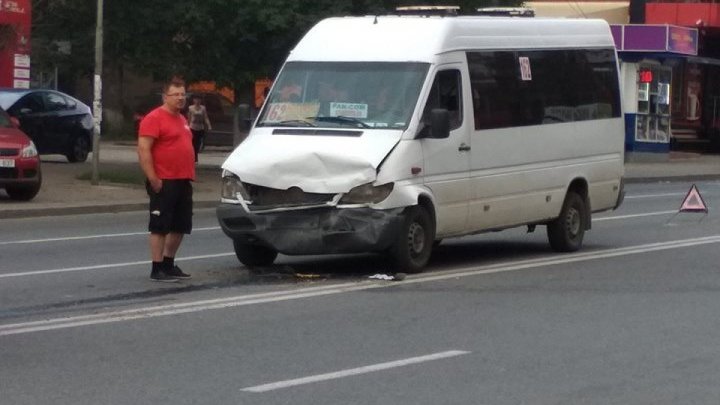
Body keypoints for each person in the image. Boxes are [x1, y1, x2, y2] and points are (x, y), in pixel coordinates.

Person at [137, 77, 195, 282]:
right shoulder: (154, 118)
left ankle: (169, 263)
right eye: (176, 94)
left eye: (183, 94)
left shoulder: (182, 119)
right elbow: (144, 149)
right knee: (160, 226)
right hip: (164, 179)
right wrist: (153, 177)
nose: (180, 98)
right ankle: (157, 267)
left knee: (180, 225)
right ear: (165, 97)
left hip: (183, 179)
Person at [186, 95, 211, 163]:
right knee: (193, 143)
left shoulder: (203, 108)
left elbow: (205, 117)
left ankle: (195, 156)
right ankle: (194, 158)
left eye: (199, 99)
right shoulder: (190, 108)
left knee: (198, 143)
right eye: (196, 99)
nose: (197, 101)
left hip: (200, 127)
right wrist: (187, 127)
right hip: (192, 127)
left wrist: (208, 125)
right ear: (194, 100)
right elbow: (189, 118)